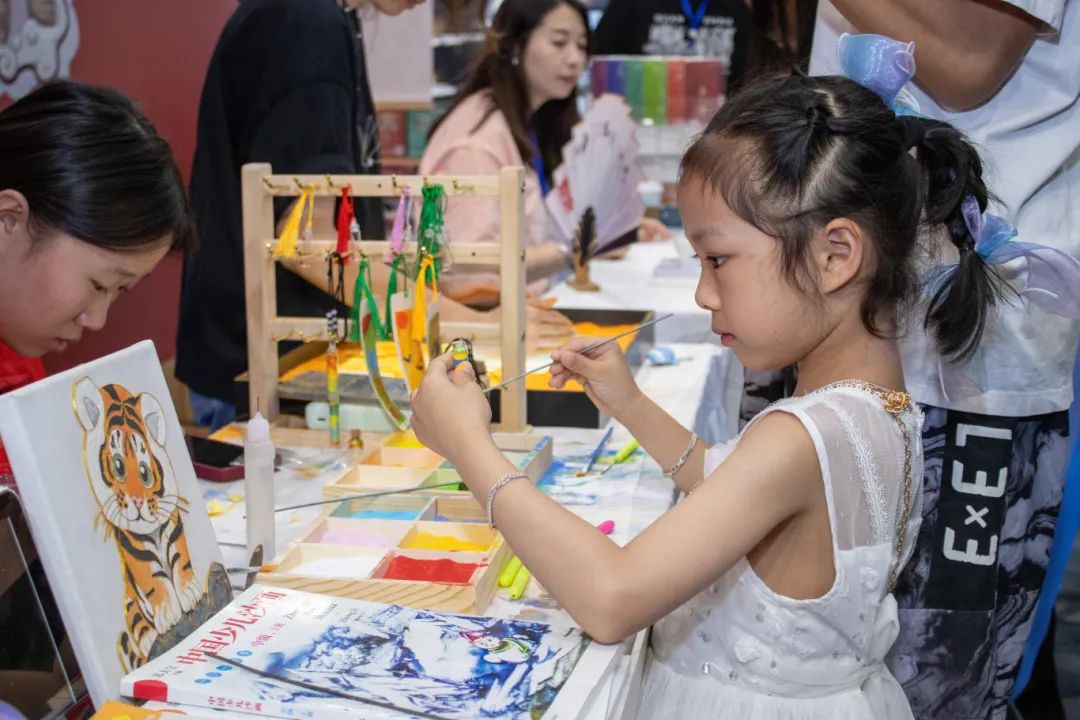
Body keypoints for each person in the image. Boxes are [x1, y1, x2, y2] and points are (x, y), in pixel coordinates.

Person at [410, 52, 1006, 717]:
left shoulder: (800, 437)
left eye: (718, 260)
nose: (702, 293)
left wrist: (469, 447)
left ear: (836, 255)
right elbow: (731, 488)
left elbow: (610, 597)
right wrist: (630, 404)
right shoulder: (876, 408)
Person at [807, 5, 1080, 719]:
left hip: (967, 347)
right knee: (827, 647)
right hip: (852, 305)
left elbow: (970, 62)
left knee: (934, 683)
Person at [0, 79, 195, 717]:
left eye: (121, 292)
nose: (97, 320)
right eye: (98, 283)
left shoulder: (19, 359)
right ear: (9, 218)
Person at [175, 0, 424, 431]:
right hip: (270, 367)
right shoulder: (308, 24)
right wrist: (439, 310)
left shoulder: (327, 19)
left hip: (289, 355)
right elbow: (308, 244)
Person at [419, 0, 587, 336]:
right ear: (514, 45)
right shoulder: (476, 140)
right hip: (478, 335)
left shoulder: (527, 123)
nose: (574, 59)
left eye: (582, 46)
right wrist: (573, 249)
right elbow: (470, 269)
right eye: (559, 42)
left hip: (517, 319)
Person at [594, 0, 752, 88]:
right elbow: (602, 55)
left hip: (717, 119)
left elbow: (749, 72)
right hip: (646, 111)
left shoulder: (738, 9)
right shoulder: (632, 4)